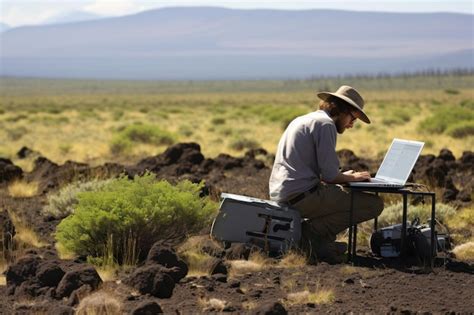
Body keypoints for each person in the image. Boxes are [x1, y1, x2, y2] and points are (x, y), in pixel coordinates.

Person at [269, 85, 384, 263]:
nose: (351, 125)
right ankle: (309, 235)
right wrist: (353, 178)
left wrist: (343, 177)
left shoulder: (304, 119)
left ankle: (319, 243)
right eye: (352, 118)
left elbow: (323, 173)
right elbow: (329, 176)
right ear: (343, 110)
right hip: (302, 196)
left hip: (285, 193)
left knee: (342, 194)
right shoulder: (326, 125)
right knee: (373, 204)